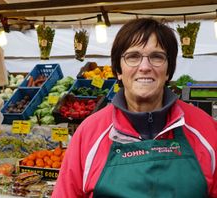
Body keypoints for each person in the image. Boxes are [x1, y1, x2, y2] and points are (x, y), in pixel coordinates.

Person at [52, 18, 217, 198]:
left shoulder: (206, 128)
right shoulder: (89, 133)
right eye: (133, 57)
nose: (144, 67)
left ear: (168, 70)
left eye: (156, 57)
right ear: (119, 71)